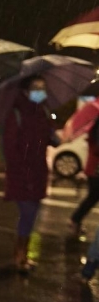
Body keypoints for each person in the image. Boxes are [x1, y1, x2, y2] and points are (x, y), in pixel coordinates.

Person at [2, 76, 57, 273]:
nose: (40, 91)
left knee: (31, 216)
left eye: (43, 87)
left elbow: (49, 140)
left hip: (39, 172)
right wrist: (23, 170)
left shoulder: (43, 111)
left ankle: (22, 253)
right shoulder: (16, 113)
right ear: (25, 91)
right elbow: (10, 148)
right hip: (22, 174)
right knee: (28, 213)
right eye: (36, 87)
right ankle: (19, 255)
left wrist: (55, 137)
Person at [66, 96, 99, 237]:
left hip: (94, 167)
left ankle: (75, 219)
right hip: (96, 167)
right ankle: (75, 220)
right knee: (93, 196)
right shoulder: (96, 119)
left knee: (93, 196)